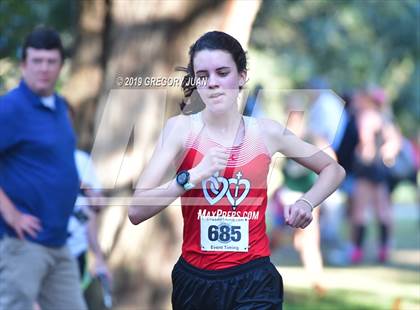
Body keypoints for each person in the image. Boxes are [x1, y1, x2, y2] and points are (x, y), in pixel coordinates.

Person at [128, 31, 345, 310]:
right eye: (203, 75)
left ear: (241, 76)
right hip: (196, 282)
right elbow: (136, 210)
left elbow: (333, 169)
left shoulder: (267, 132)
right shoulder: (180, 130)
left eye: (222, 72)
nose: (213, 83)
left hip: (254, 279)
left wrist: (306, 201)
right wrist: (190, 177)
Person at [0, 27, 87, 310]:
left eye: (51, 61)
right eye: (36, 61)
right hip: (22, 243)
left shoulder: (61, 108)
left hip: (59, 242)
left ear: (61, 66)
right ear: (24, 65)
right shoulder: (11, 108)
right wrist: (12, 214)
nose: (44, 68)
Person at [350, 87, 401, 263]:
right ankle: (383, 248)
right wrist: (387, 153)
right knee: (383, 210)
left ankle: (357, 250)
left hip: (367, 168)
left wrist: (363, 153)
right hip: (380, 168)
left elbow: (365, 142)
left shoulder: (367, 117)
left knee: (360, 211)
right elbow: (395, 142)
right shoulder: (385, 118)